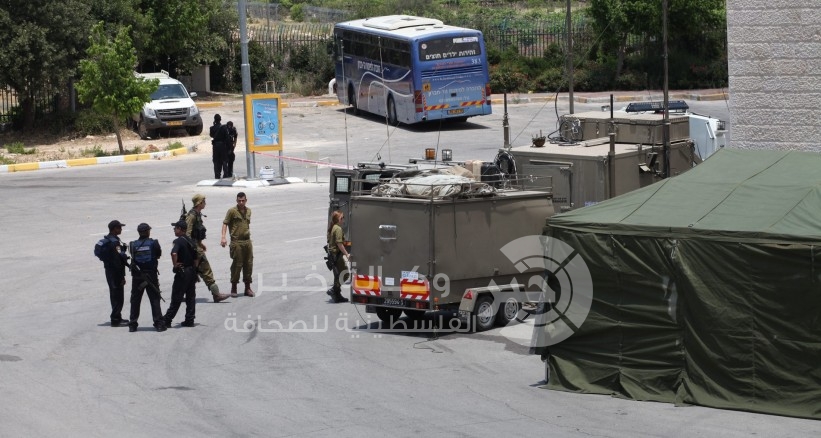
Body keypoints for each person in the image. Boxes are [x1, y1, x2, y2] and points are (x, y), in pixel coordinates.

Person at [186, 193, 230, 303]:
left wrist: (200, 243)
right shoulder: (192, 216)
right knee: (206, 271)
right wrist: (195, 249)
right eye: (204, 201)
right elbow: (188, 234)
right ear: (199, 203)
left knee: (191, 274)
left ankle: (181, 294)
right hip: (195, 250)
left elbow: (196, 233)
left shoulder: (197, 214)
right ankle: (216, 295)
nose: (205, 203)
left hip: (196, 246)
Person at [127, 223, 165, 332]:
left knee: (135, 300)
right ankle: (158, 323)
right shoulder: (154, 243)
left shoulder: (132, 244)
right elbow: (158, 255)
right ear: (148, 231)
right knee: (154, 299)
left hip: (137, 276)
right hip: (151, 275)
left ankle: (132, 324)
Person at [163, 221, 199, 327]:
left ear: (180, 229)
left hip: (183, 272)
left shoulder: (178, 241)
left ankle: (167, 319)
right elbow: (196, 258)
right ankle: (190, 319)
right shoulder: (191, 241)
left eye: (175, 228)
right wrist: (195, 271)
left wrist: (175, 265)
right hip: (192, 271)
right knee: (191, 297)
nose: (174, 230)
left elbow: (174, 253)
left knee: (177, 296)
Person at [221, 192, 254, 297]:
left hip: (247, 241)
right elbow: (225, 223)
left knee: (248, 264)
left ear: (246, 200)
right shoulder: (232, 211)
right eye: (239, 200)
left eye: (243, 200)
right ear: (236, 200)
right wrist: (223, 237)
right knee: (237, 264)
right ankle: (234, 287)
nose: (241, 202)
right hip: (236, 242)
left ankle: (247, 288)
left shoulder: (249, 211)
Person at [99, 220, 129, 325]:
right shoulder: (115, 242)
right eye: (119, 228)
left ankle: (117, 317)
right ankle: (116, 319)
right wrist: (122, 276)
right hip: (115, 272)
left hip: (109, 270)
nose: (121, 229)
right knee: (117, 296)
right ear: (114, 229)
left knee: (114, 294)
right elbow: (118, 260)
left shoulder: (108, 239)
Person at [326, 210, 350, 303]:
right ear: (338, 219)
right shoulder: (338, 229)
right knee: (345, 274)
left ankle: (337, 295)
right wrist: (347, 254)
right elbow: (339, 244)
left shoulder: (333, 227)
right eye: (342, 218)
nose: (343, 219)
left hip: (333, 256)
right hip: (337, 256)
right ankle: (334, 290)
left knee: (337, 276)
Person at [210, 114, 230, 179]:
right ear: (220, 119)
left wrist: (214, 124)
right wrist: (229, 147)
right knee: (224, 160)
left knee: (216, 161)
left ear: (214, 120)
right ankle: (226, 174)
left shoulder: (212, 128)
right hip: (223, 146)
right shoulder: (224, 128)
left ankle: (217, 175)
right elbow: (227, 138)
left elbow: (211, 135)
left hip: (215, 146)